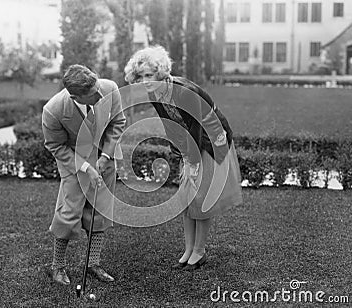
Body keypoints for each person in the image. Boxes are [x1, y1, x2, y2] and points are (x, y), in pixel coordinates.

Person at [124, 46, 243, 271]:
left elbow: (196, 128)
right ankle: (188, 249)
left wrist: (194, 163)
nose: (145, 81)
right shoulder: (154, 92)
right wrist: (179, 154)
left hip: (210, 141)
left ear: (160, 72)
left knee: (201, 198)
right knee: (186, 199)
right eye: (140, 77)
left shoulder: (183, 91)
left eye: (149, 75)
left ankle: (200, 251)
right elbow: (171, 125)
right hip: (191, 143)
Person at [42, 64, 126, 284]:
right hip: (75, 165)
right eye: (93, 94)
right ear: (75, 97)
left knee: (100, 212)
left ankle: (93, 264)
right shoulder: (53, 110)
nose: (100, 94)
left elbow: (118, 122)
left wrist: (105, 157)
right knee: (68, 214)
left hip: (105, 159)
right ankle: (57, 267)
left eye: (98, 87)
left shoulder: (109, 88)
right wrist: (86, 168)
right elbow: (56, 146)